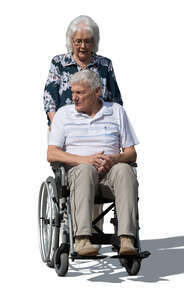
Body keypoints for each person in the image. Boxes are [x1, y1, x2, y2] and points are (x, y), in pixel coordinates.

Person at [47, 70, 138, 256]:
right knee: (85, 169)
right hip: (77, 177)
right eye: (73, 92)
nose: (74, 98)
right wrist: (85, 160)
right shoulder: (64, 115)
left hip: (110, 177)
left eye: (80, 93)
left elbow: (131, 153)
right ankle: (81, 239)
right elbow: (52, 153)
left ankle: (127, 239)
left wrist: (115, 159)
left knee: (124, 170)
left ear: (97, 91)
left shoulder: (116, 111)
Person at [44, 15, 122, 125]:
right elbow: (49, 98)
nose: (83, 46)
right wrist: (56, 125)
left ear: (94, 42)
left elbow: (115, 99)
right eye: (78, 41)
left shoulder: (105, 64)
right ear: (71, 41)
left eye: (87, 41)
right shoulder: (59, 63)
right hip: (66, 125)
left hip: (99, 125)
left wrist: (116, 126)